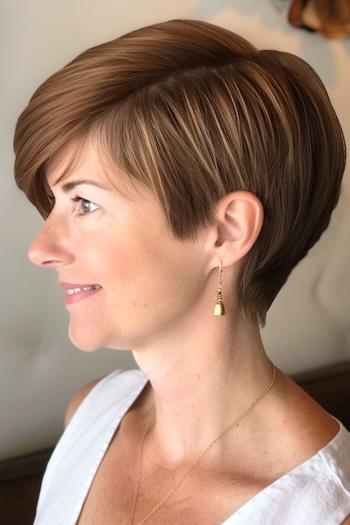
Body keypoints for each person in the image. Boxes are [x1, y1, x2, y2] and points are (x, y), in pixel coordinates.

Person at [13, 17, 350, 525]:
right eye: (55, 203)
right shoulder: (92, 413)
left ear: (227, 230)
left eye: (84, 203)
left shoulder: (320, 512)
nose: (41, 249)